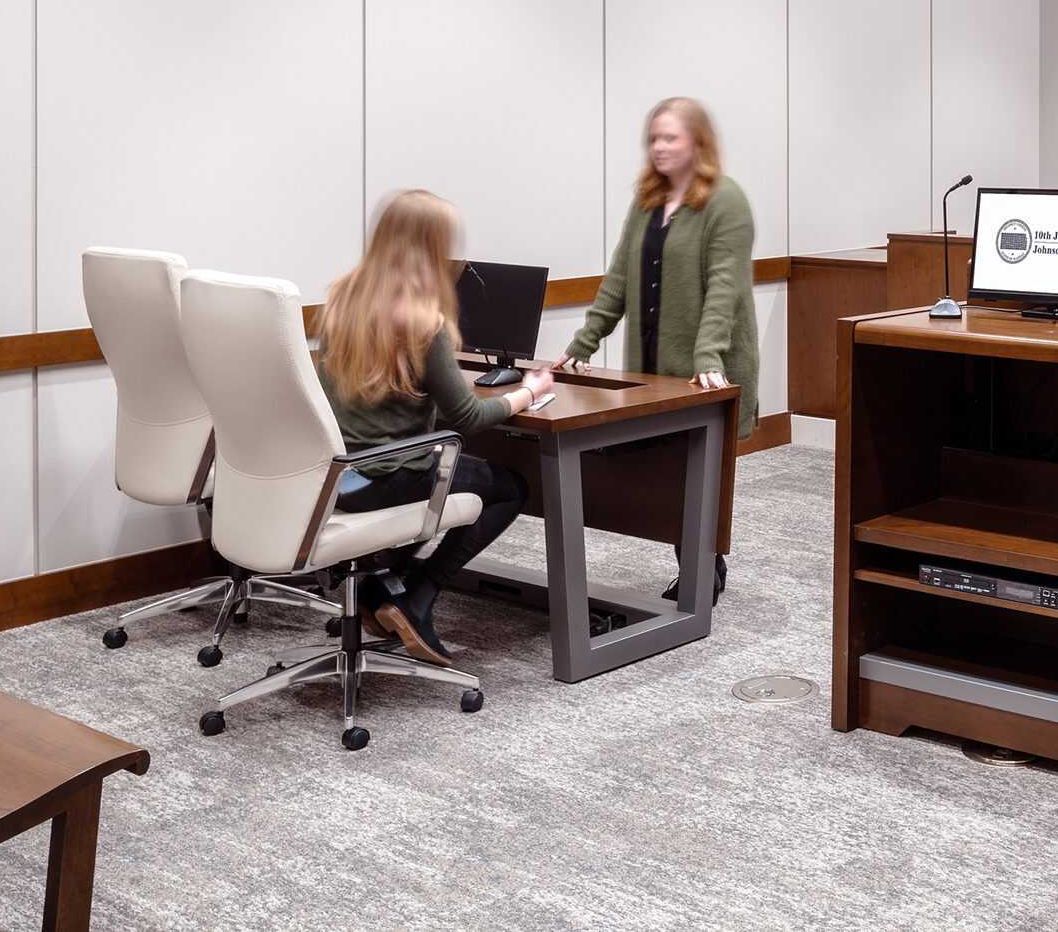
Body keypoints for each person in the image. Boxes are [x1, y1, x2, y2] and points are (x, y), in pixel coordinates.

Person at [316, 189, 548, 668]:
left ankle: (384, 586)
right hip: (388, 476)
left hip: (338, 475)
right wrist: (528, 392)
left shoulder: (342, 299)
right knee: (509, 487)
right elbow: (467, 418)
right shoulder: (424, 322)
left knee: (455, 468)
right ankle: (418, 596)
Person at [565, 96, 759, 602]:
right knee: (668, 472)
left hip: (706, 365)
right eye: (654, 138)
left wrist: (708, 356)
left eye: (670, 137)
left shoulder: (726, 201)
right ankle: (700, 564)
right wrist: (584, 343)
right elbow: (619, 278)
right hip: (652, 366)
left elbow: (725, 288)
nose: (659, 147)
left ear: (698, 142)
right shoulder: (647, 200)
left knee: (696, 469)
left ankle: (702, 573)